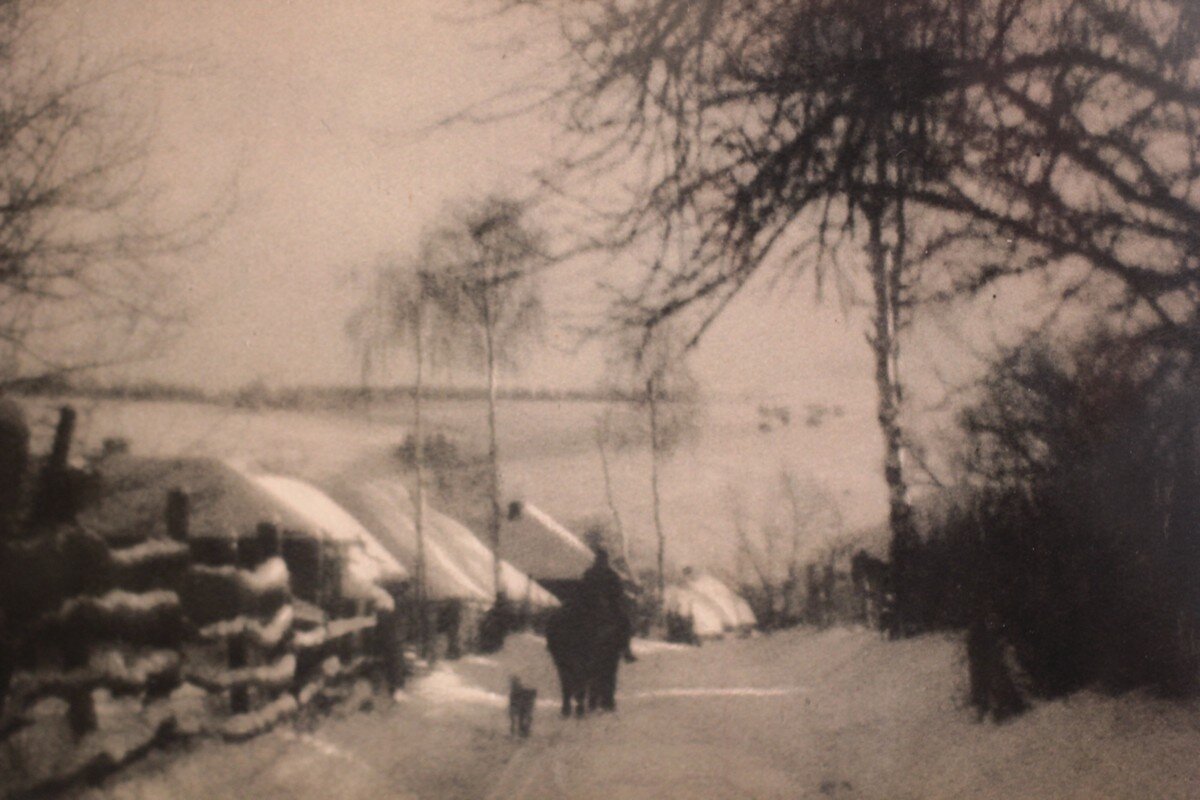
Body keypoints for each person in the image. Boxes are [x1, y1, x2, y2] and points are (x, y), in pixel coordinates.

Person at [581, 548, 637, 663]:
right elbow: (618, 591)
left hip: (590, 605)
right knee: (624, 622)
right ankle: (626, 651)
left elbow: (582, 589)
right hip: (607, 605)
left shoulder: (589, 573)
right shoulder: (611, 574)